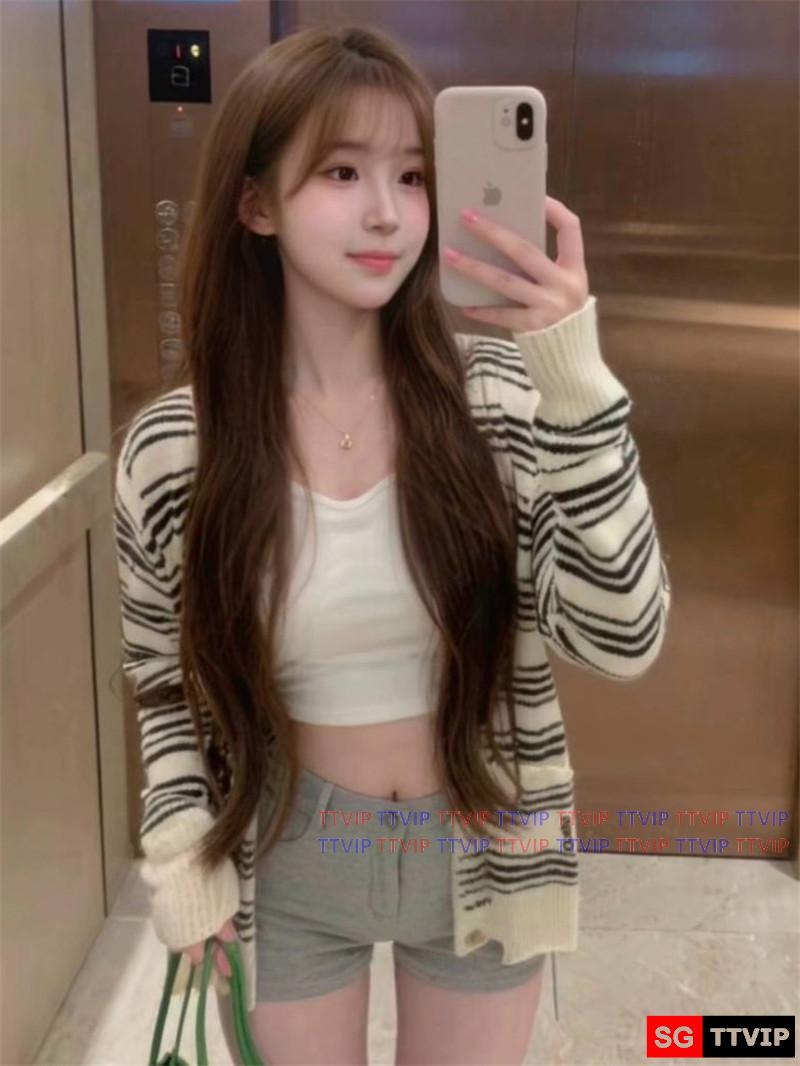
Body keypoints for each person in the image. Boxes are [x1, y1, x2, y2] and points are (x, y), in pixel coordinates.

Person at [113, 22, 671, 1065]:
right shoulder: (176, 450)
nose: (386, 212)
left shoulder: (500, 403)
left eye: (412, 176)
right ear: (256, 204)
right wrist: (182, 847)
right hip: (286, 847)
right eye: (341, 172)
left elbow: (623, 638)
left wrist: (575, 383)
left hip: (490, 833)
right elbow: (159, 681)